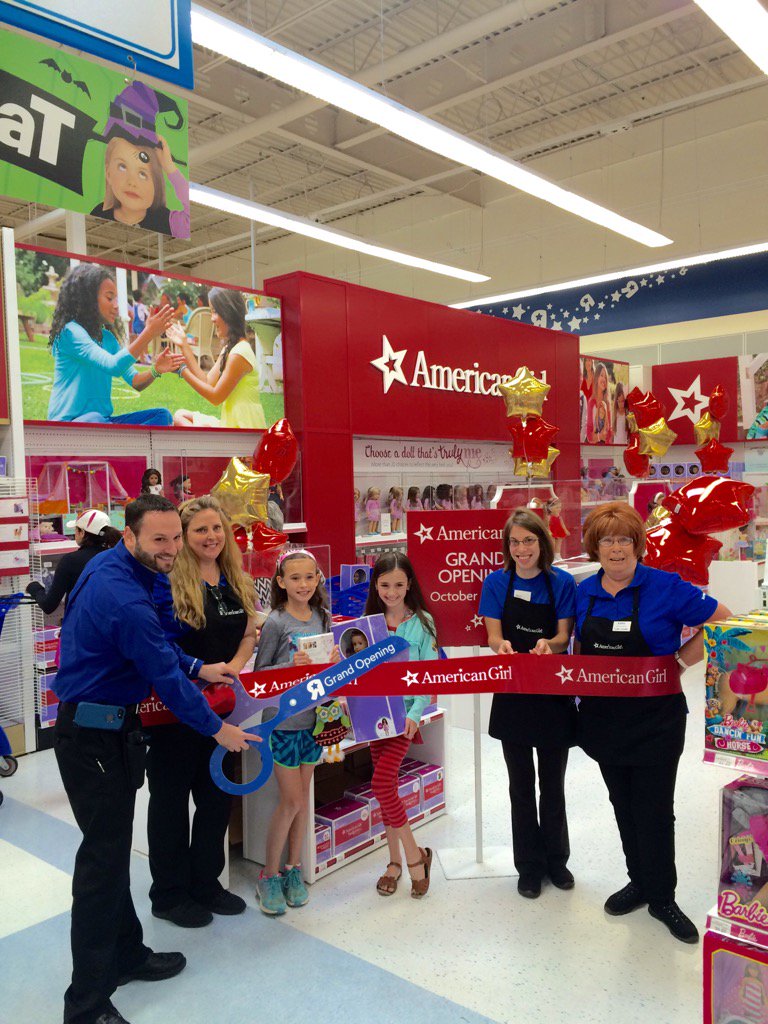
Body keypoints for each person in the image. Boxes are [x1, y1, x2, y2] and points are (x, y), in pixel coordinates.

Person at [51, 494, 256, 1024]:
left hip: (112, 732)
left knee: (112, 854)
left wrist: (199, 664)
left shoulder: (127, 567)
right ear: (130, 536)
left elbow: (169, 644)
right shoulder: (123, 597)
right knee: (101, 867)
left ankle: (127, 954)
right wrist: (219, 729)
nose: (169, 550)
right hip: (92, 739)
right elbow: (162, 670)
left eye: (173, 538)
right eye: (159, 540)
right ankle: (87, 1005)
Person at [575, 501, 731, 944]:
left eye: (625, 539)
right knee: (622, 805)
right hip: (603, 720)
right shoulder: (584, 592)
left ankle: (663, 896)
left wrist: (681, 660)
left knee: (655, 811)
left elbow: (723, 620)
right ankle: (638, 882)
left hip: (655, 721)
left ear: (638, 545)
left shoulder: (666, 586)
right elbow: (572, 642)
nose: (616, 548)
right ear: (595, 547)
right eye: (607, 540)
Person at [147, 496, 259, 928]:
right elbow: (155, 644)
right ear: (183, 537)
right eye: (200, 531)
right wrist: (200, 669)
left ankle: (206, 883)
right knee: (171, 802)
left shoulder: (234, 576)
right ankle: (169, 894)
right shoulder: (166, 580)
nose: (211, 537)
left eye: (217, 529)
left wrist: (232, 664)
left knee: (216, 799)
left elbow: (249, 630)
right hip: (174, 709)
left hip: (226, 707)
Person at [478, 509, 577, 899]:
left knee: (553, 784)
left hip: (552, 692)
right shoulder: (496, 583)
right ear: (508, 546)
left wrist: (547, 646)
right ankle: (528, 867)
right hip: (513, 692)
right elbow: (493, 636)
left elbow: (563, 636)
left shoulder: (563, 583)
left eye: (529, 541)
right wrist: (501, 647)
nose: (522, 549)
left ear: (542, 543)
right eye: (515, 542)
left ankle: (558, 860)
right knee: (520, 785)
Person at [253, 549, 340, 916]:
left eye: (310, 577)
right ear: (281, 582)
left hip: (313, 722)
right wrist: (292, 664)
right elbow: (260, 676)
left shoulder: (323, 616)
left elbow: (330, 669)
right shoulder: (275, 621)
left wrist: (335, 660)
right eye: (295, 578)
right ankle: (268, 875)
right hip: (282, 725)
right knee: (290, 801)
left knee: (302, 802)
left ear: (318, 578)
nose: (303, 584)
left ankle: (294, 869)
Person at [363, 552, 438, 899]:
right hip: (373, 716)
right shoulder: (367, 624)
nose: (391, 592)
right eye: (384, 585)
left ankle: (413, 857)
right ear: (375, 585)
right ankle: (396, 861)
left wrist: (416, 711)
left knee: (381, 782)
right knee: (385, 786)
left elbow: (428, 674)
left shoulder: (422, 623)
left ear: (409, 585)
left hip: (404, 717)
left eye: (398, 585)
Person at [47, 264, 181, 425]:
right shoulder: (70, 332)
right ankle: (123, 446)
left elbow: (135, 381)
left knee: (162, 416)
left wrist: (155, 369)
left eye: (116, 299)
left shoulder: (108, 338)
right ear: (87, 299)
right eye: (110, 298)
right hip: (67, 424)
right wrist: (149, 332)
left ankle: (120, 446)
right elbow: (113, 366)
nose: (116, 306)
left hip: (102, 423)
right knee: (95, 418)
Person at [168, 288, 267, 429]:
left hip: (243, 431)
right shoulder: (230, 348)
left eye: (215, 311)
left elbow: (215, 397)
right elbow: (207, 381)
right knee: (180, 416)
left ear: (228, 313)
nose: (212, 319)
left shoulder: (239, 353)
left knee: (181, 419)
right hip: (230, 425)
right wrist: (184, 345)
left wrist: (182, 371)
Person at [26, 509, 122, 615]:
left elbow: (49, 605)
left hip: (80, 626)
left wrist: (34, 587)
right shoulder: (115, 557)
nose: (75, 533)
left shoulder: (71, 561)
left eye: (76, 529)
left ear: (82, 533)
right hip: (111, 624)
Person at [586, 362, 613, 444]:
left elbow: (609, 432)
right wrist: (600, 436)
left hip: (606, 450)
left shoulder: (607, 403)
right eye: (601, 375)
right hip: (594, 451)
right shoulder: (591, 403)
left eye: (605, 377)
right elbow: (589, 436)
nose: (604, 379)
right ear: (596, 378)